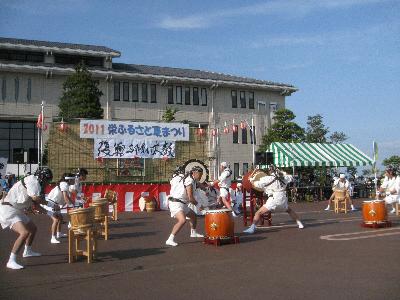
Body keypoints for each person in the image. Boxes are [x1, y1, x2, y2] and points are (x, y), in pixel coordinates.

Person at [0, 167, 53, 269]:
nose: (48, 183)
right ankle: (11, 261)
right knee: (24, 233)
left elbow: (35, 205)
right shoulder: (33, 181)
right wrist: (50, 203)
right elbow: (36, 199)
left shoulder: (34, 183)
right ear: (42, 177)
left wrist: (50, 213)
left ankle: (27, 251)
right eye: (47, 180)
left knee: (33, 229)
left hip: (16, 209)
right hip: (7, 209)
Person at [243, 166, 304, 234]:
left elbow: (256, 184)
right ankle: (300, 224)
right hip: (283, 198)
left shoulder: (267, 178)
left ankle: (252, 228)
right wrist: (283, 172)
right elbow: (291, 177)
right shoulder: (284, 177)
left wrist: (251, 179)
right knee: (289, 210)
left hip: (273, 199)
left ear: (269, 171)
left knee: (258, 213)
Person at [165, 166, 204, 247]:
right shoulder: (189, 180)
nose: (201, 176)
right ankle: (170, 239)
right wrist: (199, 205)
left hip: (182, 203)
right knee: (182, 220)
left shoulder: (183, 178)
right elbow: (190, 198)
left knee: (193, 216)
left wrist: (206, 189)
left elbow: (198, 184)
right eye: (200, 174)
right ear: (194, 173)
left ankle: (193, 233)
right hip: (176, 203)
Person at [46, 173, 75, 244]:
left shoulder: (65, 184)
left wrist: (73, 203)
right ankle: (53, 238)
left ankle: (59, 233)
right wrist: (71, 205)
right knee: (56, 220)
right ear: (69, 180)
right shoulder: (64, 184)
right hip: (51, 204)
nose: (74, 180)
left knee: (60, 218)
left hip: (55, 204)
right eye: (73, 179)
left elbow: (67, 197)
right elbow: (65, 197)